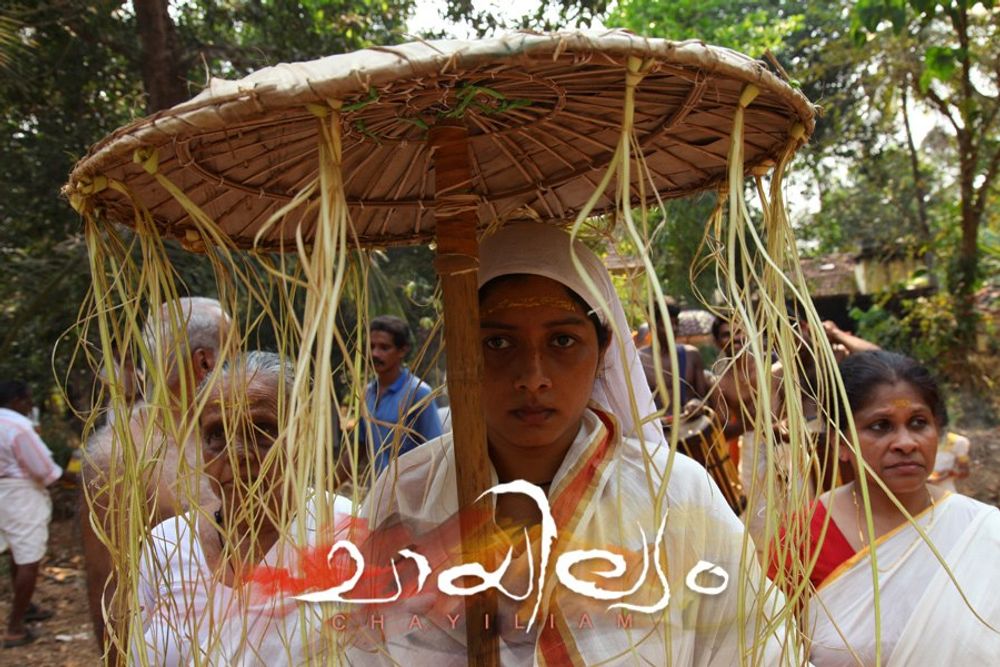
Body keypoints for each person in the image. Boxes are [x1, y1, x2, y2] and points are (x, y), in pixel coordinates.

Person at [343, 223, 801, 665]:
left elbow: (755, 649)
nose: (532, 377)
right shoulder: (407, 492)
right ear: (461, 346)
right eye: (498, 342)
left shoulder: (675, 494)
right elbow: (355, 645)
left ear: (603, 349)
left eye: (562, 340)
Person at [133, 351, 351, 665]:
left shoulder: (352, 534)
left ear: (303, 436)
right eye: (217, 434)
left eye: (262, 430)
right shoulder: (167, 545)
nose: (237, 454)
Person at [796, 350, 1000, 665]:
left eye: (919, 423)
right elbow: (774, 649)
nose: (906, 442)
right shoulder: (803, 537)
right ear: (840, 443)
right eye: (880, 426)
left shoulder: (983, 531)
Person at [81, 296, 231, 659]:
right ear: (205, 362)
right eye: (235, 355)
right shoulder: (118, 458)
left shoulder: (227, 442)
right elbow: (113, 598)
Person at [0, 381, 70, 648]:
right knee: (29, 558)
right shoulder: (18, 427)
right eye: (28, 400)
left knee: (16, 551)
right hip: (20, 495)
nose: (30, 406)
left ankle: (26, 607)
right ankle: (15, 629)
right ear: (16, 400)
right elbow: (43, 469)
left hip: (5, 493)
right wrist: (78, 479)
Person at [362, 315, 442, 474]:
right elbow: (359, 446)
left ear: (402, 350)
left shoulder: (418, 393)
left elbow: (436, 451)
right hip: (377, 488)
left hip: (409, 488)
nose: (375, 353)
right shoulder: (367, 393)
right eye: (371, 346)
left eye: (384, 348)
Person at [639, 298, 708, 411]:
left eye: (676, 323)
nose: (674, 329)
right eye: (667, 325)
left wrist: (696, 404)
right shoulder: (639, 360)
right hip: (656, 422)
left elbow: (704, 400)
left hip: (688, 421)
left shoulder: (691, 355)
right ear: (652, 326)